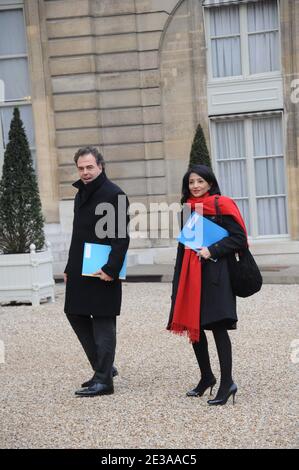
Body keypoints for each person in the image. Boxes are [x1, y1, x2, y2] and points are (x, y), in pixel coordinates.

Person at [167, 164, 247, 406]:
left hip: (216, 276)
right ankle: (206, 377)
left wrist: (212, 249)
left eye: (200, 181)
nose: (195, 186)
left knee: (218, 328)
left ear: (210, 183)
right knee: (195, 326)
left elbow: (239, 238)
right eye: (191, 182)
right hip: (189, 275)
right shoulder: (186, 208)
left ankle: (227, 383)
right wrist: (178, 277)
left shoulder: (222, 205)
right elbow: (184, 245)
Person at [64, 147, 130, 397]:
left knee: (103, 321)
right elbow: (77, 235)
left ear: (100, 166)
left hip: (103, 269)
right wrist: (70, 267)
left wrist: (111, 268)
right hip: (81, 268)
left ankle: (104, 382)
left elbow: (120, 236)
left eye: (89, 167)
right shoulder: (80, 194)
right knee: (74, 312)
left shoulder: (114, 194)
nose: (85, 172)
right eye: (81, 168)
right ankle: (103, 368)